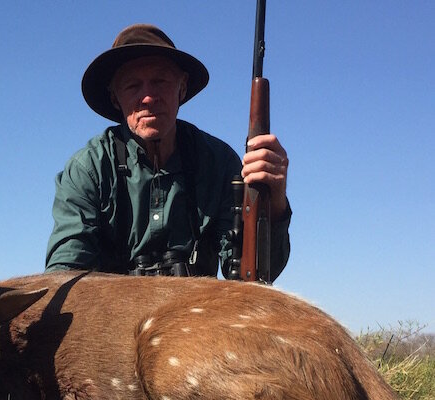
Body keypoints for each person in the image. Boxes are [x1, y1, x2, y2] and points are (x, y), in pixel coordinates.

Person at [45, 24, 291, 279]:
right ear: (115, 98)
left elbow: (255, 276)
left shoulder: (219, 163)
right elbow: (65, 273)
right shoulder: (88, 169)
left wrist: (275, 200)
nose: (148, 97)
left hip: (199, 315)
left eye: (160, 81)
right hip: (117, 316)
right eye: (132, 86)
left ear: (182, 87)